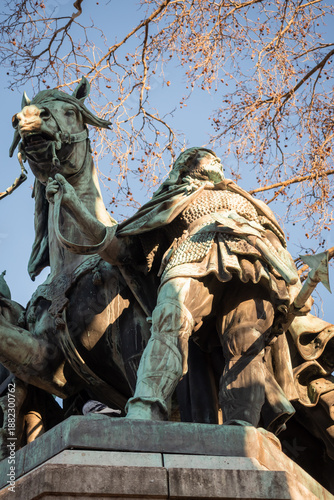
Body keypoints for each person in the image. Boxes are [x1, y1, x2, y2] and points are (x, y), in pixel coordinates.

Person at [46, 147, 309, 432]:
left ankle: (241, 426)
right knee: (169, 320)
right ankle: (146, 408)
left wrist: (292, 286)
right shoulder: (170, 201)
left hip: (254, 265)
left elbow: (275, 244)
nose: (216, 161)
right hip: (191, 256)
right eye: (205, 156)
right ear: (185, 167)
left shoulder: (248, 202)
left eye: (218, 159)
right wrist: (73, 206)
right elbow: (121, 249)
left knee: (245, 342)